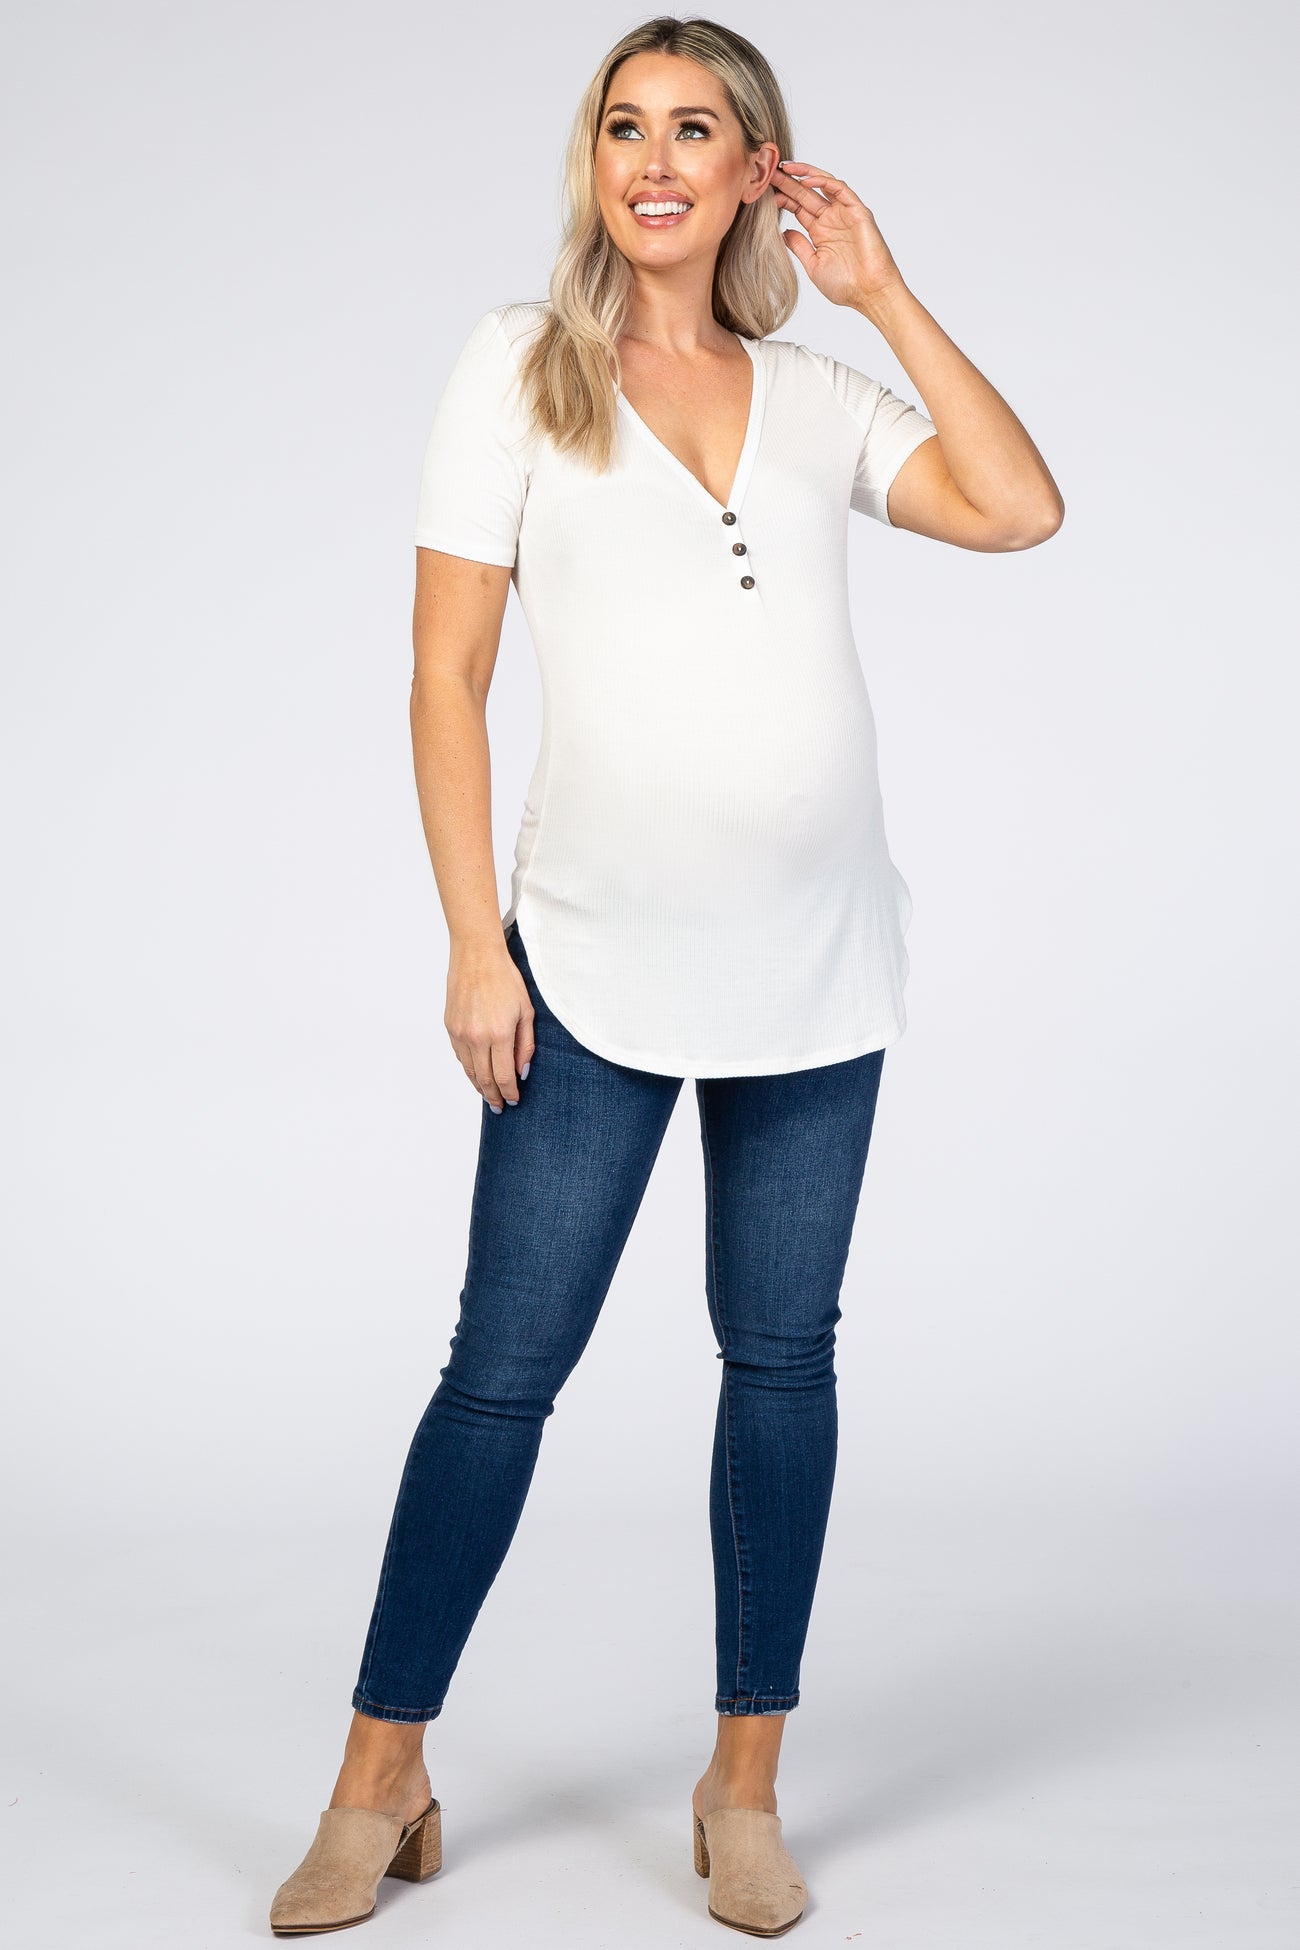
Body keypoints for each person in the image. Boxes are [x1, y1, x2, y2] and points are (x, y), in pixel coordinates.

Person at [268, 13, 1063, 1940]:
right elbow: (445, 675)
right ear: (594, 161)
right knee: (502, 1373)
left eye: (695, 129)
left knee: (781, 1364)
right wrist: (476, 938)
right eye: (625, 125)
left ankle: (744, 1781)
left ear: (755, 169)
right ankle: (382, 1772)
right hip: (590, 962)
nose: (651, 159)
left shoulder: (818, 394)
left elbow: (1019, 507)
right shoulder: (517, 369)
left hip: (818, 965)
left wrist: (884, 290)